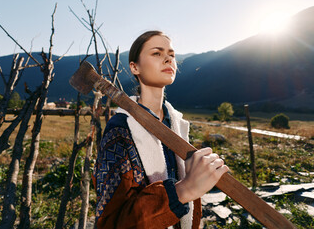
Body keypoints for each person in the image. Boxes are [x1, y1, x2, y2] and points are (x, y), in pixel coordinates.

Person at [93, 30, 229, 229]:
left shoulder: (177, 124)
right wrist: (184, 190)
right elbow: (112, 223)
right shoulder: (120, 130)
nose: (168, 59)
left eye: (171, 54)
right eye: (157, 53)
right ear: (134, 67)